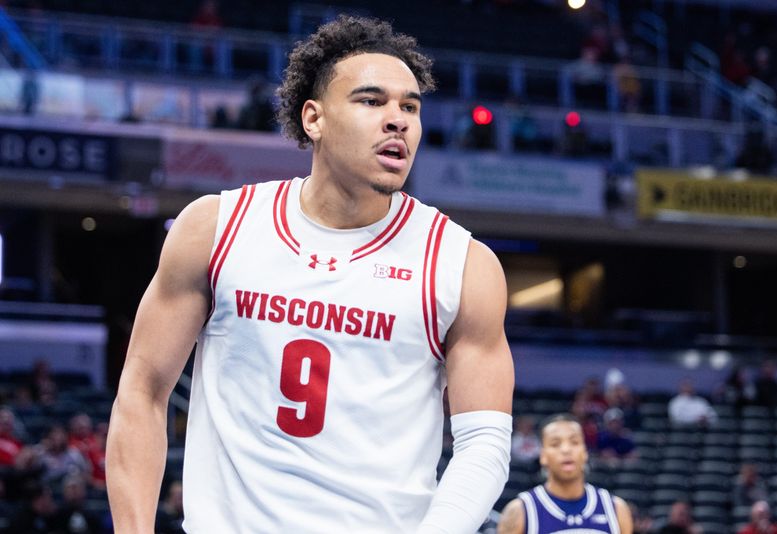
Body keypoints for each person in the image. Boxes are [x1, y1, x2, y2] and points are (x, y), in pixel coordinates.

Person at [107, 15, 515, 534]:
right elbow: (142, 391)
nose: (398, 120)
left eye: (410, 107)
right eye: (372, 101)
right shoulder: (216, 227)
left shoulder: (461, 263)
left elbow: (483, 442)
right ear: (313, 118)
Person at [497, 413, 633, 534]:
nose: (566, 450)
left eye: (574, 442)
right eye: (555, 444)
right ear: (543, 455)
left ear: (585, 452)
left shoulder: (616, 509)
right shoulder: (520, 511)